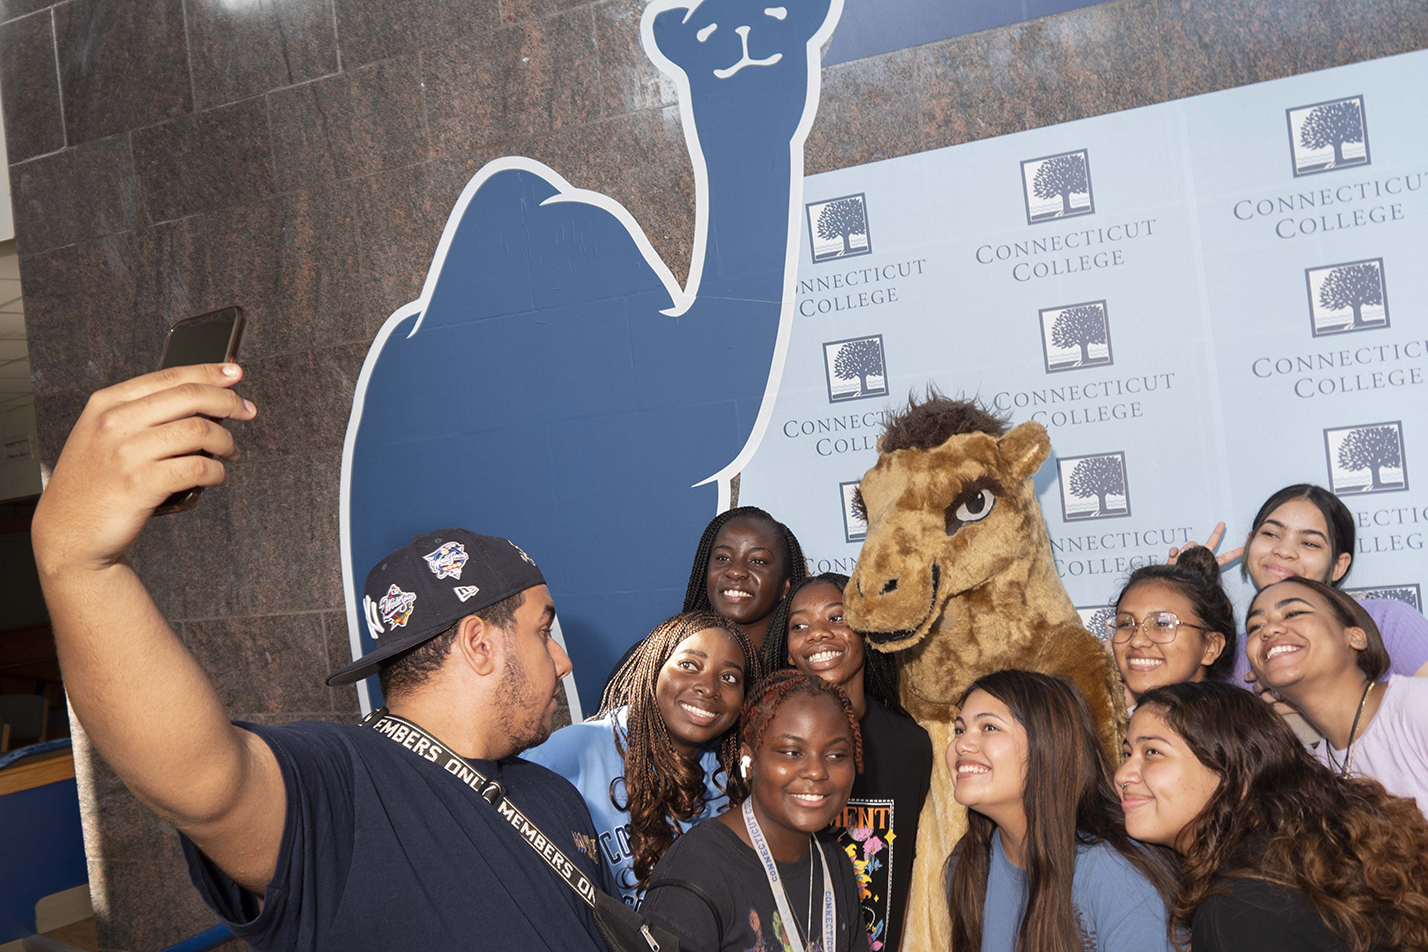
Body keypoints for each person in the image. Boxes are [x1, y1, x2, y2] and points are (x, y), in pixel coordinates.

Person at [30, 364, 613, 952]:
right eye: (543, 631)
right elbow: (204, 781)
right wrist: (78, 564)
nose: (563, 661)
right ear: (480, 644)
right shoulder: (344, 788)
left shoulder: (551, 795)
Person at [1117, 680, 1428, 952]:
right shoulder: (1308, 862)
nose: (1122, 775)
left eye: (1153, 753)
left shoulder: (1241, 909)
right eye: (1127, 753)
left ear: (1236, 772)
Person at [527, 611, 759, 905]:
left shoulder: (733, 779)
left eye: (729, 677)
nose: (709, 688)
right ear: (653, 669)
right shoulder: (571, 754)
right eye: (689, 665)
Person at [642, 669, 871, 952]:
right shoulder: (697, 869)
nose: (816, 772)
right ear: (748, 760)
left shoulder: (833, 861)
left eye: (836, 755)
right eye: (791, 752)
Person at [945, 670, 1175, 952]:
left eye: (989, 727)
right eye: (959, 730)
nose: (961, 744)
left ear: (1050, 746)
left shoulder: (1117, 874)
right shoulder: (968, 863)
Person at [762, 573, 931, 952]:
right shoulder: (764, 743)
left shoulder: (911, 746)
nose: (818, 633)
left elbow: (915, 874)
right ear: (788, 650)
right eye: (800, 625)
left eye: (836, 618)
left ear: (865, 632)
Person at [1171, 485, 1428, 682]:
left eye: (1309, 543)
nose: (1284, 551)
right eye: (1271, 534)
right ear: (1249, 544)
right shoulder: (1230, 655)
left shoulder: (1388, 624)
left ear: (1338, 565)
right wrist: (1173, 593)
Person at [1244, 577, 1428, 813]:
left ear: (1355, 637)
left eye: (1293, 613)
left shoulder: (1416, 706)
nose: (1268, 630)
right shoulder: (1315, 774)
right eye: (1254, 627)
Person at [603, 505, 807, 688]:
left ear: (785, 586)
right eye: (723, 558)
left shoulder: (806, 668)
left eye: (758, 561)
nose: (735, 571)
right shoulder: (656, 660)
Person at [1107, 547, 1235, 711]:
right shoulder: (1100, 730)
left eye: (1161, 624)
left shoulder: (1242, 732)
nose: (1137, 640)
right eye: (1125, 624)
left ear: (1211, 647)